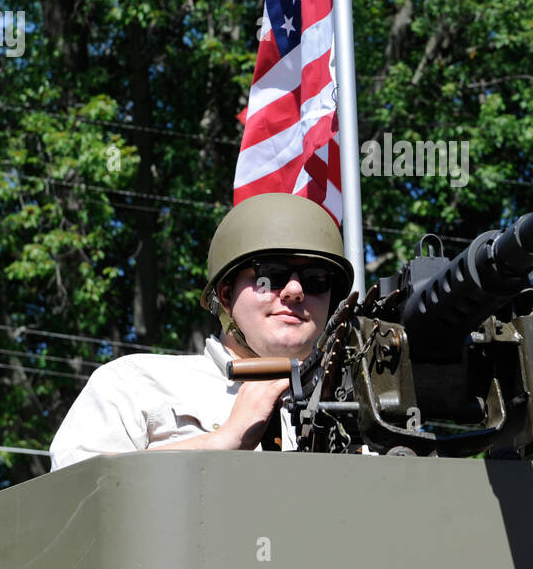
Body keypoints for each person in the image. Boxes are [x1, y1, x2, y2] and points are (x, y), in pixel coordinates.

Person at [49, 193, 353, 470]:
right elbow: (72, 492)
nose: (295, 291)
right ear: (225, 294)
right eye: (271, 275)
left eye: (316, 279)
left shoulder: (359, 407)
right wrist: (220, 441)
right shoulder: (134, 383)